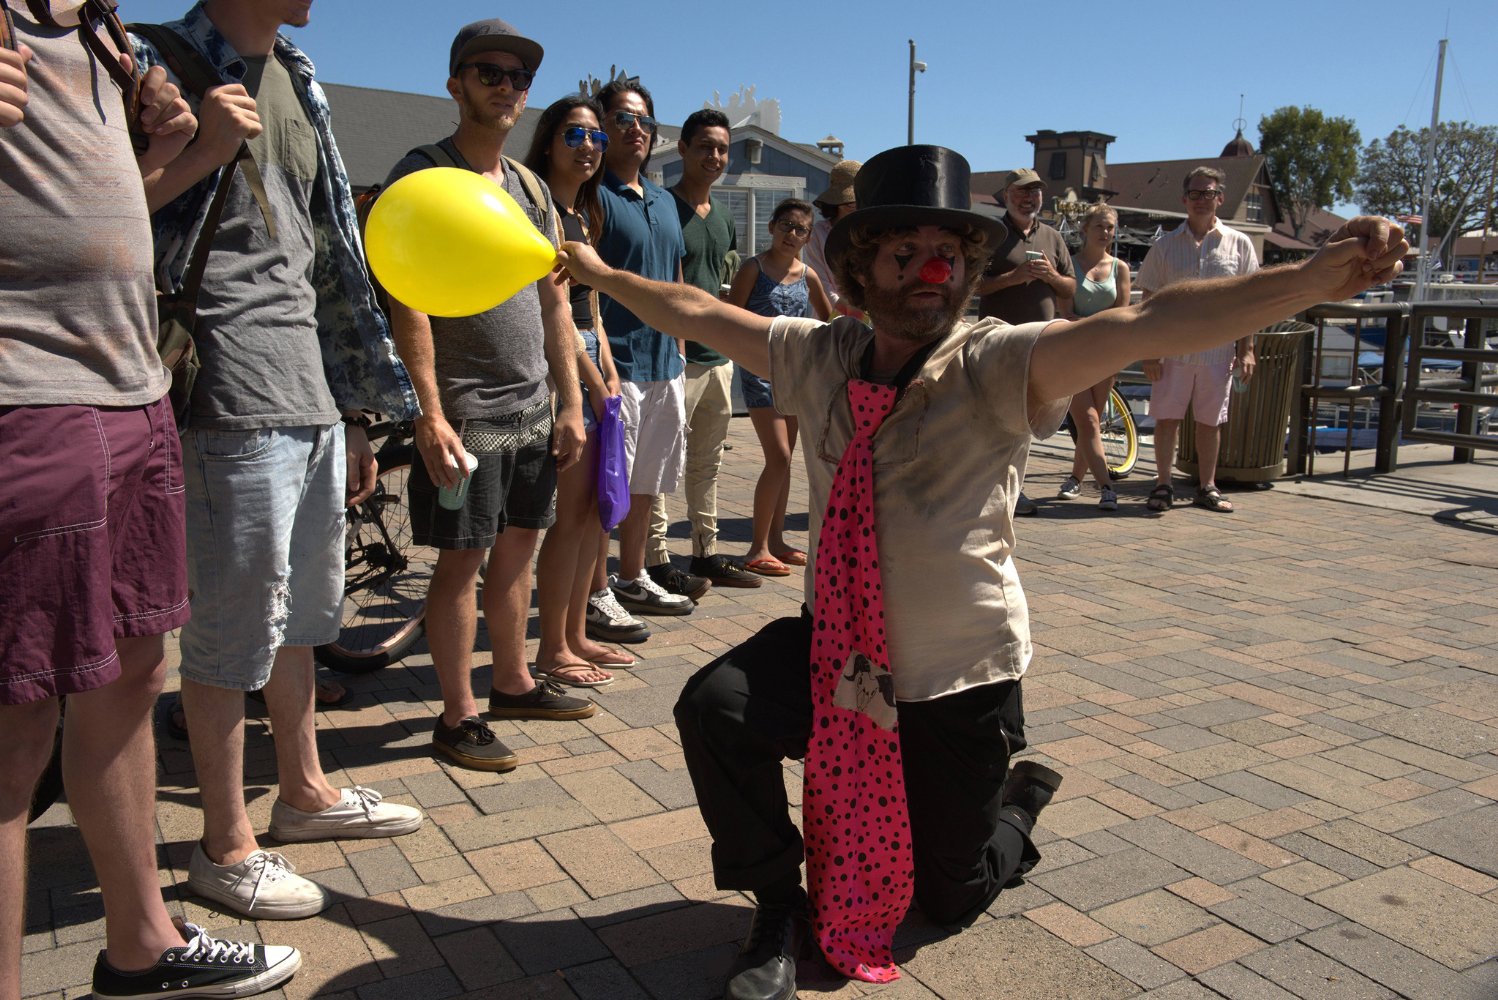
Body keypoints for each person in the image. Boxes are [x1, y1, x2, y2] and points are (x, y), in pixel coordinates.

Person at [556, 143, 1405, 1000]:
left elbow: (1148, 324)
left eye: (951, 254)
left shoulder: (995, 362)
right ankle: (779, 905)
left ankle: (1019, 801)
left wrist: (1312, 280)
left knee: (947, 898)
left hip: (958, 680)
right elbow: (695, 311)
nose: (934, 272)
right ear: (858, 267)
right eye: (906, 252)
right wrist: (595, 270)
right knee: (715, 707)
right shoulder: (818, 354)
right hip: (840, 656)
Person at [1, 3, 300, 997]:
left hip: (132, 389)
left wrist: (189, 150)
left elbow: (104, 203)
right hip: (27, 397)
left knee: (132, 676)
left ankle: (141, 942)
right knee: (16, 728)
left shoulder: (98, 30)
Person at [132, 0, 424, 922]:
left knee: (301, 614)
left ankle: (304, 791)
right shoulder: (151, 61)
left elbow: (327, 257)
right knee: (228, 629)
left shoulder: (295, 75)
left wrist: (353, 410)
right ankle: (224, 846)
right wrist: (200, 149)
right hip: (225, 384)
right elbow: (98, 214)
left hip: (309, 386)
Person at [383, 19, 591, 769]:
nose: (507, 87)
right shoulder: (424, 174)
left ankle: (513, 682)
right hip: (466, 411)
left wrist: (570, 401)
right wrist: (429, 412)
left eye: (518, 78)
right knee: (461, 563)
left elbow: (554, 300)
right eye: (489, 73)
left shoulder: (531, 186)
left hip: (531, 407)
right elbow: (407, 296)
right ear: (456, 84)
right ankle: (458, 717)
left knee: (519, 549)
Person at [524, 94, 637, 683]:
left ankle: (576, 635)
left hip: (594, 363)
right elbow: (555, 313)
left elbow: (591, 307)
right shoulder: (539, 212)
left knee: (594, 514)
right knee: (569, 518)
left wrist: (610, 367)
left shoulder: (583, 216)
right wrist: (592, 381)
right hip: (561, 369)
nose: (588, 146)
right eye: (574, 135)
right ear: (547, 143)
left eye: (596, 136)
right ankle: (552, 648)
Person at [592, 77, 699, 617]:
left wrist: (678, 347)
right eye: (623, 119)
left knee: (646, 483)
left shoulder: (664, 200)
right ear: (602, 128)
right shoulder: (593, 196)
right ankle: (595, 593)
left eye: (644, 121)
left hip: (664, 364)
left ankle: (632, 577)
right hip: (617, 365)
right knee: (605, 487)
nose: (636, 129)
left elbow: (675, 277)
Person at [647, 108, 763, 591]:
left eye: (722, 149)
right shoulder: (660, 208)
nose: (714, 156)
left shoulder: (723, 218)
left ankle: (705, 552)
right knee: (658, 466)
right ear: (683, 150)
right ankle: (654, 560)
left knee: (707, 462)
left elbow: (723, 284)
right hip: (672, 359)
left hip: (718, 360)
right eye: (705, 147)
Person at [1138, 166, 1259, 514]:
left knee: (1210, 421)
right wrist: (1150, 352)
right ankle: (1163, 484)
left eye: (1208, 193)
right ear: (1184, 199)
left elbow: (1249, 303)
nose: (1201, 200)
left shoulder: (1239, 244)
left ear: (1220, 198)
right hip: (1171, 351)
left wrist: (1247, 349)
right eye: (1195, 193)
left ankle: (1207, 486)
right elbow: (1148, 303)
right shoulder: (1164, 246)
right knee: (1166, 420)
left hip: (1218, 352)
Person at [725, 198, 831, 576]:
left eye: (801, 229)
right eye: (786, 224)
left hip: (794, 376)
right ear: (771, 226)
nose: (792, 234)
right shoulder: (752, 268)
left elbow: (828, 320)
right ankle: (757, 548)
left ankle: (778, 540)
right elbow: (730, 317)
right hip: (758, 373)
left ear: (808, 237)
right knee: (779, 457)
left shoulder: (809, 275)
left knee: (784, 463)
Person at [976, 167, 1077, 516]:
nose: (1028, 198)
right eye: (1021, 191)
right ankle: (993, 487)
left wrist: (1052, 276)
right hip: (1000, 343)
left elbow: (1070, 288)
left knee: (1026, 418)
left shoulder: (1053, 236)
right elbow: (974, 286)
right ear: (1006, 195)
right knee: (996, 416)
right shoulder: (991, 235)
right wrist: (1013, 277)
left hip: (1040, 345)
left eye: (1035, 192)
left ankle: (1013, 489)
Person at [1057, 203, 1132, 511]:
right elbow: (1065, 314)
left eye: (1110, 227)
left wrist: (1093, 324)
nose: (1105, 232)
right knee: (1087, 421)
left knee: (1094, 423)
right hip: (1073, 353)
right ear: (1085, 228)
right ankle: (1106, 487)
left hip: (1106, 355)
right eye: (1099, 226)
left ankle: (1075, 478)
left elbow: (1123, 315)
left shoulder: (1120, 268)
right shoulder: (1069, 265)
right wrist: (1099, 323)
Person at [805, 158, 861, 311]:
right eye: (848, 201)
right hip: (829, 314)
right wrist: (844, 309)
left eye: (857, 200)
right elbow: (820, 281)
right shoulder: (819, 232)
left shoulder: (870, 231)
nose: (853, 205)